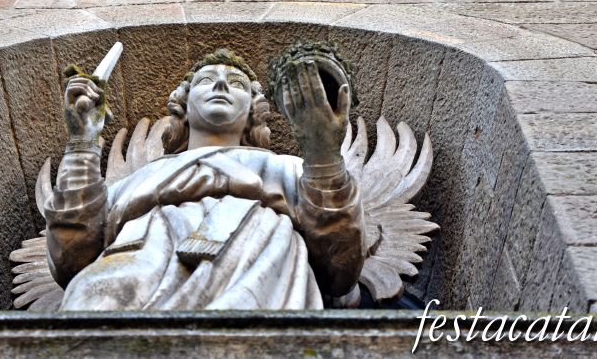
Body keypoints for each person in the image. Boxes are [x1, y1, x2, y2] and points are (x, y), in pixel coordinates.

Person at [44, 48, 365, 310]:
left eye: (237, 84)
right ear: (183, 103)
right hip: (133, 269)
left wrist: (322, 151)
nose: (221, 86)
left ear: (254, 109)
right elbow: (72, 258)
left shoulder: (289, 168)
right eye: (207, 80)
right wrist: (82, 144)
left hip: (255, 269)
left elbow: (340, 266)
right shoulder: (137, 178)